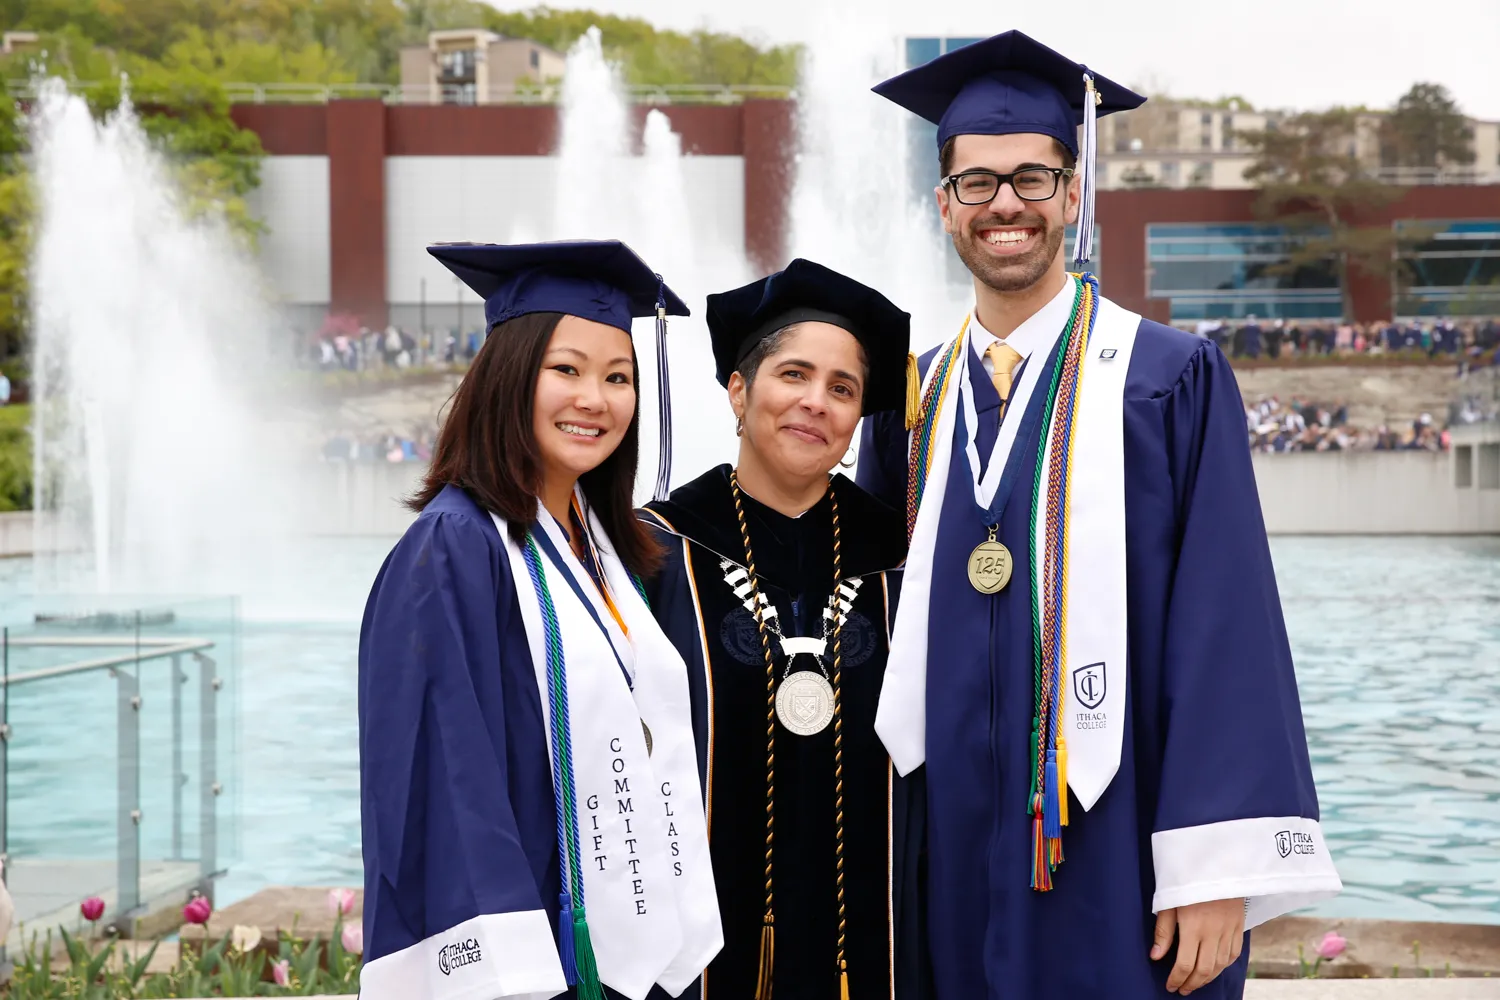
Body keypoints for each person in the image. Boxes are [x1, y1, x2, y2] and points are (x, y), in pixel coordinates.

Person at [856, 31, 1342, 1000]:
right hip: (940, 848)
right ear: (944, 205)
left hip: (1116, 842)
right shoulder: (907, 403)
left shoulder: (1165, 379)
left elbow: (1227, 627)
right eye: (978, 182)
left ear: (1073, 196)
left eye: (1033, 178)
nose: (1006, 203)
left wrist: (1216, 874)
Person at [358, 240, 722, 1000]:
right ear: (509, 374)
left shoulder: (611, 547)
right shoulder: (456, 549)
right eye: (567, 370)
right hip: (534, 961)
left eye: (618, 377)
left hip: (627, 955)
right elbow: (447, 780)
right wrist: (515, 971)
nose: (596, 397)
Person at [639, 260, 928, 1000]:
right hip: (696, 948)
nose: (814, 403)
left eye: (842, 388)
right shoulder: (656, 549)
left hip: (879, 947)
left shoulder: (905, 556)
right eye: (792, 375)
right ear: (740, 390)